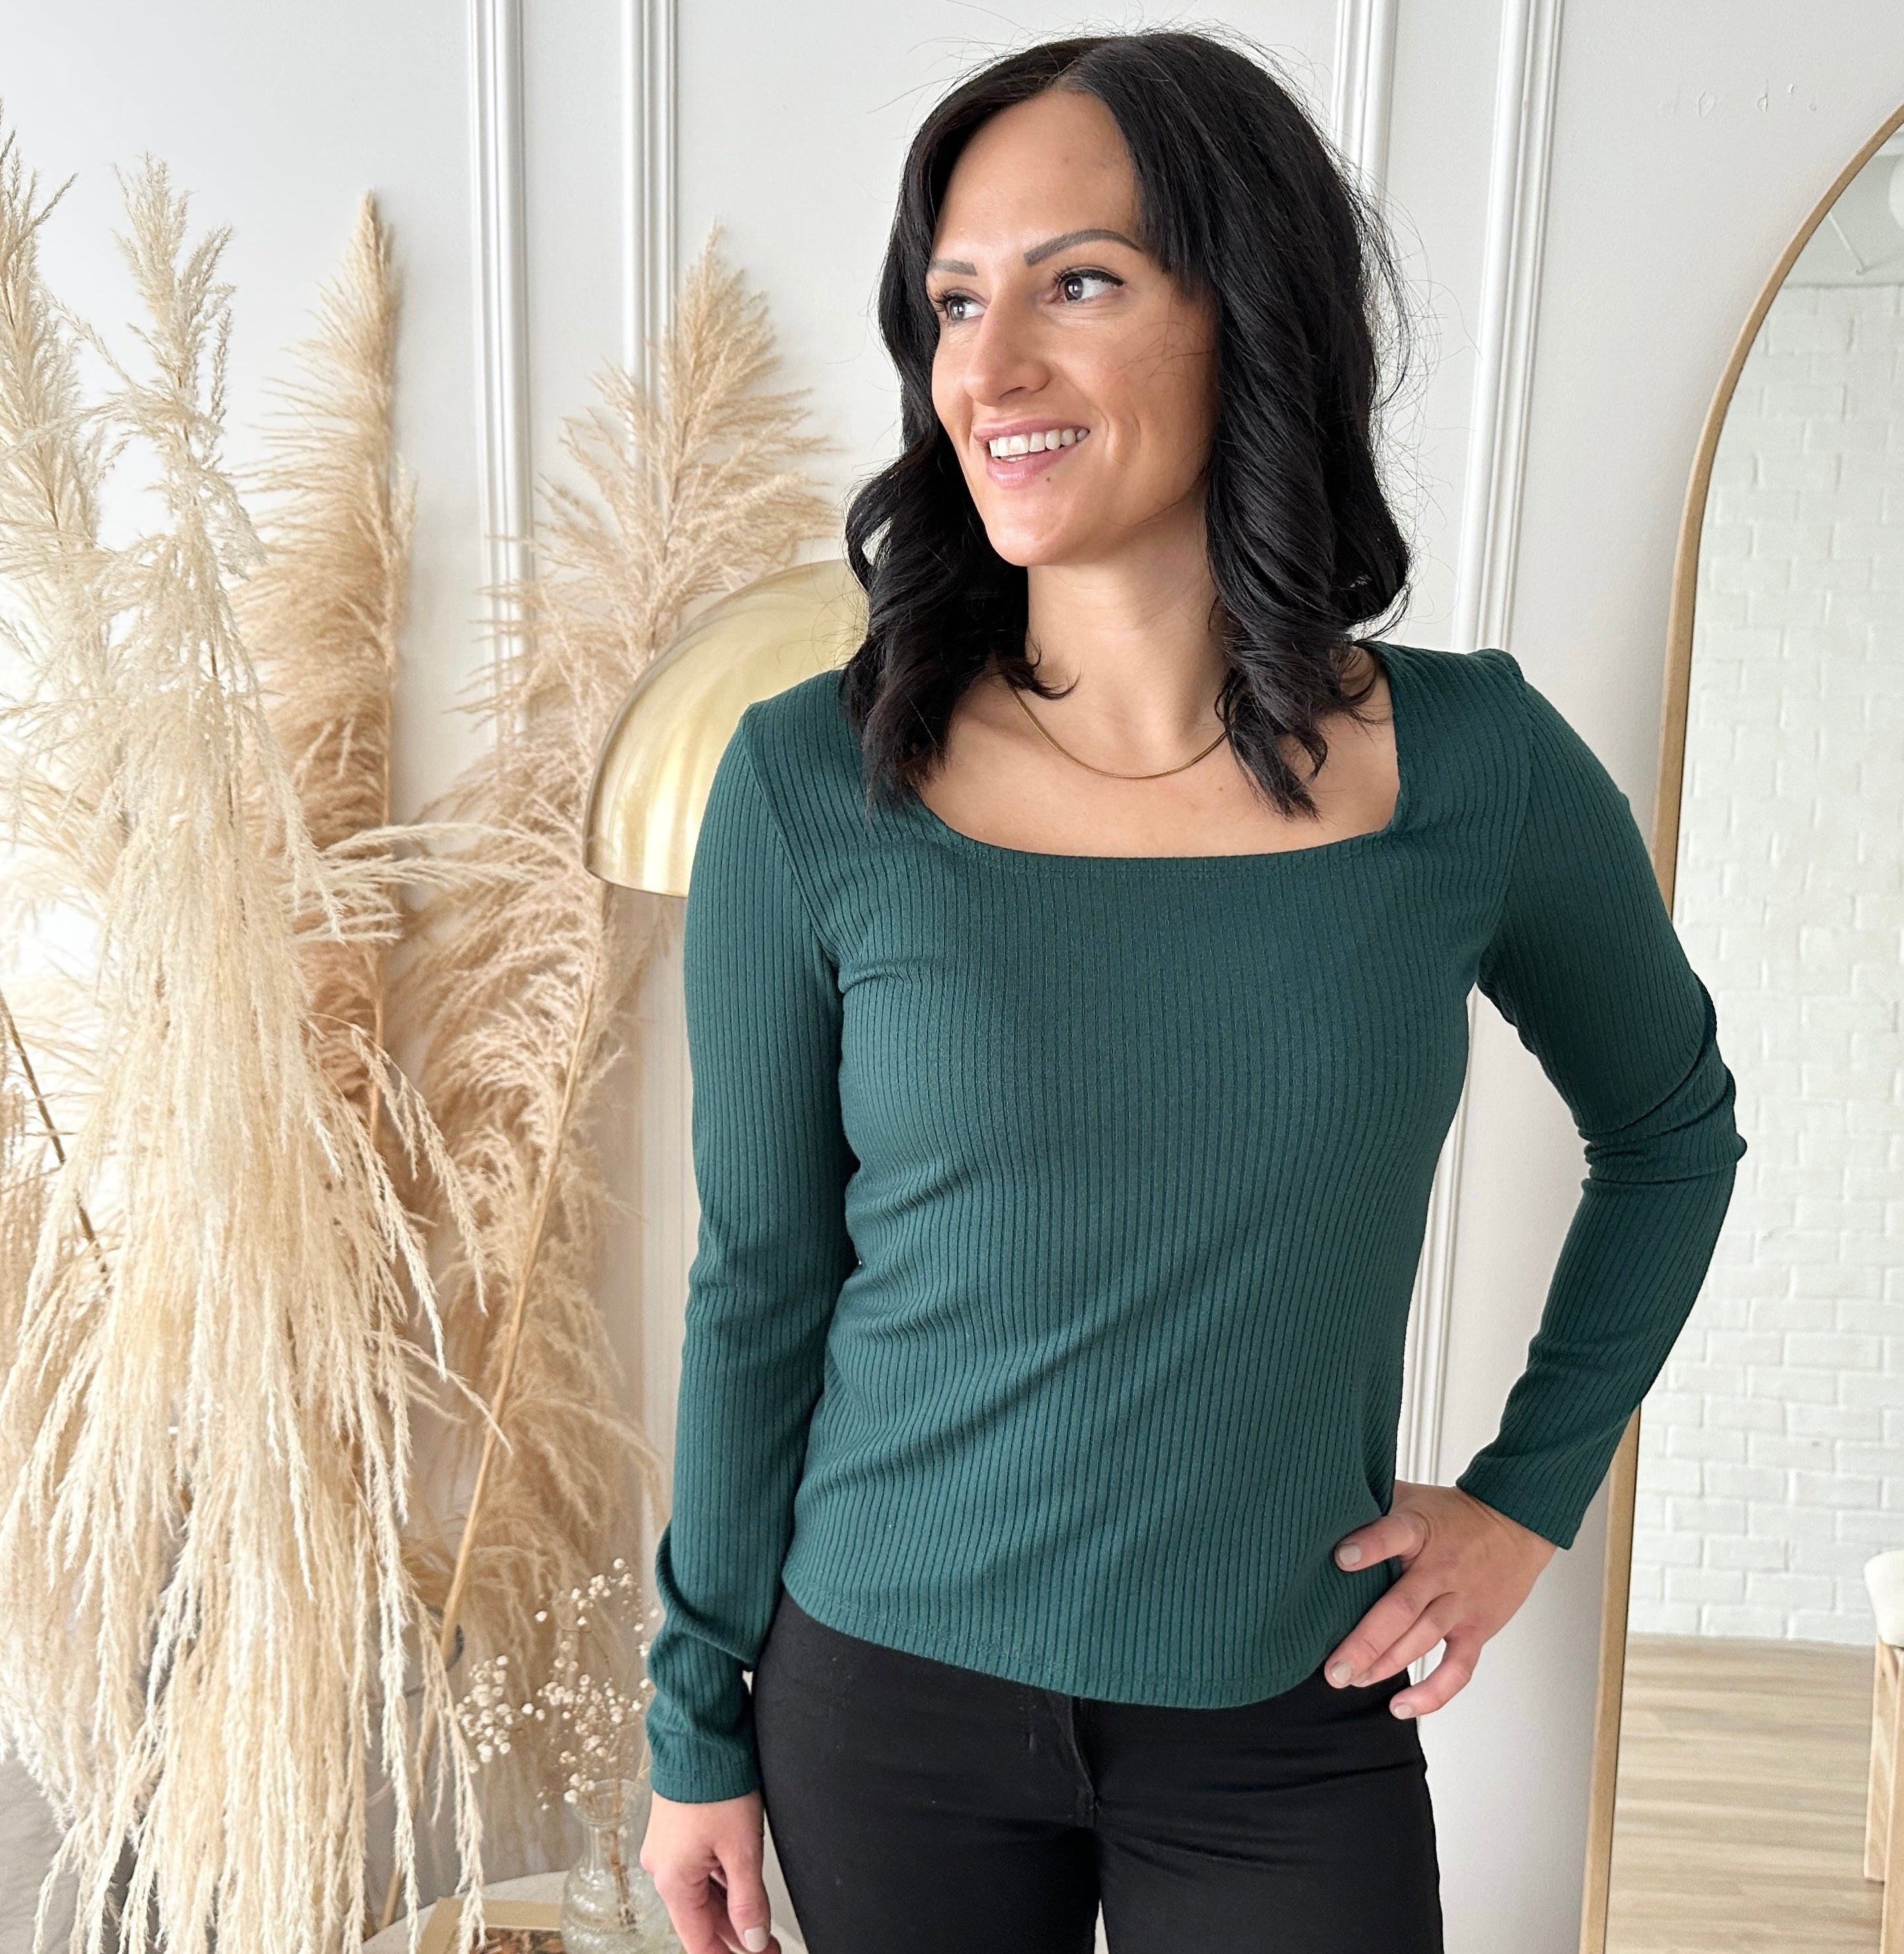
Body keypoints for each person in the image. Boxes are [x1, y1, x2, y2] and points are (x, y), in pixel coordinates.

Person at [638, 27, 1745, 1954]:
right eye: (953, 303)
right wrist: (691, 1726)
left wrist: (1526, 1497)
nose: (988, 369)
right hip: (883, 1700)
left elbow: (1671, 1132)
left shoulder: (1472, 766)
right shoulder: (810, 786)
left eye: (1077, 283)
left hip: (1283, 1715)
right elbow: (759, 1284)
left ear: (1252, 311)